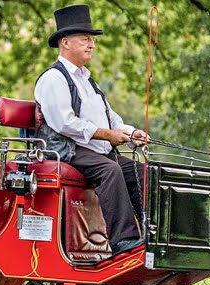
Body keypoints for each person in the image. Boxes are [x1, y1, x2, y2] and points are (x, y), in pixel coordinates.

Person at [34, 4, 148, 255]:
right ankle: (123, 242)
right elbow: (64, 122)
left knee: (143, 173)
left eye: (92, 40)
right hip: (69, 150)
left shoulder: (86, 79)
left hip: (97, 150)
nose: (92, 44)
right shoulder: (53, 78)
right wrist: (107, 135)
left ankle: (151, 231)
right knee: (111, 170)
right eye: (85, 39)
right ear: (65, 42)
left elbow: (110, 117)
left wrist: (131, 134)